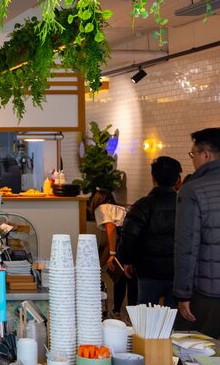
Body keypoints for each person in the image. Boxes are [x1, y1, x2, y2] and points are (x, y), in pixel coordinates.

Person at [117, 156, 182, 306]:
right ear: (178, 180)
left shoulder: (143, 205)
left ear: (153, 178)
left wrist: (127, 260)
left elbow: (129, 236)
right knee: (171, 315)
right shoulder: (184, 204)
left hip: (148, 270)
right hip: (177, 270)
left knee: (146, 314)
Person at [174, 128, 220, 337]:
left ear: (206, 155)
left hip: (207, 293)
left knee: (194, 350)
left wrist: (182, 294)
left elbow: (187, 245)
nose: (192, 160)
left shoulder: (193, 189)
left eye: (193, 154)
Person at [92, 189, 137, 318]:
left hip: (124, 238)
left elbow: (111, 229)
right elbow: (110, 240)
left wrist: (112, 254)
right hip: (134, 239)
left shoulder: (101, 208)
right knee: (130, 277)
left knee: (120, 276)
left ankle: (117, 312)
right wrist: (101, 264)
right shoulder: (117, 208)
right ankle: (132, 315)